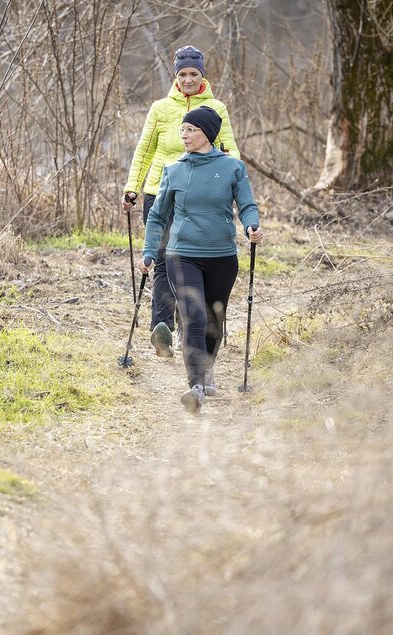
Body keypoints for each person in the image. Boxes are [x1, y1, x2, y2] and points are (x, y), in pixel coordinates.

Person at [139, 105, 263, 414]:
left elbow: (247, 204)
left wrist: (252, 226)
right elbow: (157, 218)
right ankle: (195, 385)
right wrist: (150, 251)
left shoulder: (233, 168)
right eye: (182, 129)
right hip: (183, 255)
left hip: (222, 256)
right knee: (193, 316)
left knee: (212, 320)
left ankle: (207, 368)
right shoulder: (173, 170)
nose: (184, 134)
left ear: (207, 133)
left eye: (190, 129)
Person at [123, 45, 241, 359]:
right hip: (159, 194)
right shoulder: (160, 109)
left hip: (201, 199)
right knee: (162, 263)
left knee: (193, 265)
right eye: (182, 74)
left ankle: (191, 330)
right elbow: (144, 150)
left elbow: (230, 152)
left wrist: (233, 188)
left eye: (193, 73)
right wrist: (133, 187)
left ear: (202, 75)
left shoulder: (216, 108)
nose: (188, 79)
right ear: (175, 76)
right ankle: (161, 329)